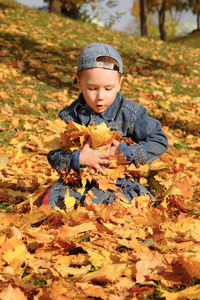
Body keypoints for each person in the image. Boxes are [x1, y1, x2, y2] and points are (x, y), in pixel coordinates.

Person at [42, 42, 168, 210]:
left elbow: (159, 139)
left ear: (119, 83)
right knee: (55, 202)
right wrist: (78, 158)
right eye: (92, 88)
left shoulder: (131, 113)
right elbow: (53, 154)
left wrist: (130, 153)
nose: (100, 97)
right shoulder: (70, 116)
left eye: (108, 88)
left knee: (128, 201)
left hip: (119, 181)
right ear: (79, 83)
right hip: (81, 180)